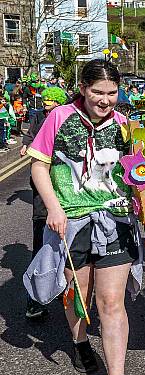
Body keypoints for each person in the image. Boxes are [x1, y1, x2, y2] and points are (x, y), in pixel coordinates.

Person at [25, 59, 142, 375]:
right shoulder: (59, 117)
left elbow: (137, 174)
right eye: (97, 92)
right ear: (82, 89)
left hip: (114, 220)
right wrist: (54, 208)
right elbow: (38, 167)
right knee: (78, 292)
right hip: (71, 221)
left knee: (110, 302)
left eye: (112, 92)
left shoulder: (125, 125)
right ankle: (79, 342)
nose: (105, 100)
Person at [19, 86, 68, 320]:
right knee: (41, 247)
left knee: (71, 247)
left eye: (51, 99)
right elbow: (30, 139)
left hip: (69, 193)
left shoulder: (70, 118)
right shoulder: (40, 117)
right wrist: (25, 145)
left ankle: (64, 289)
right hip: (43, 193)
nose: (47, 101)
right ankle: (35, 301)